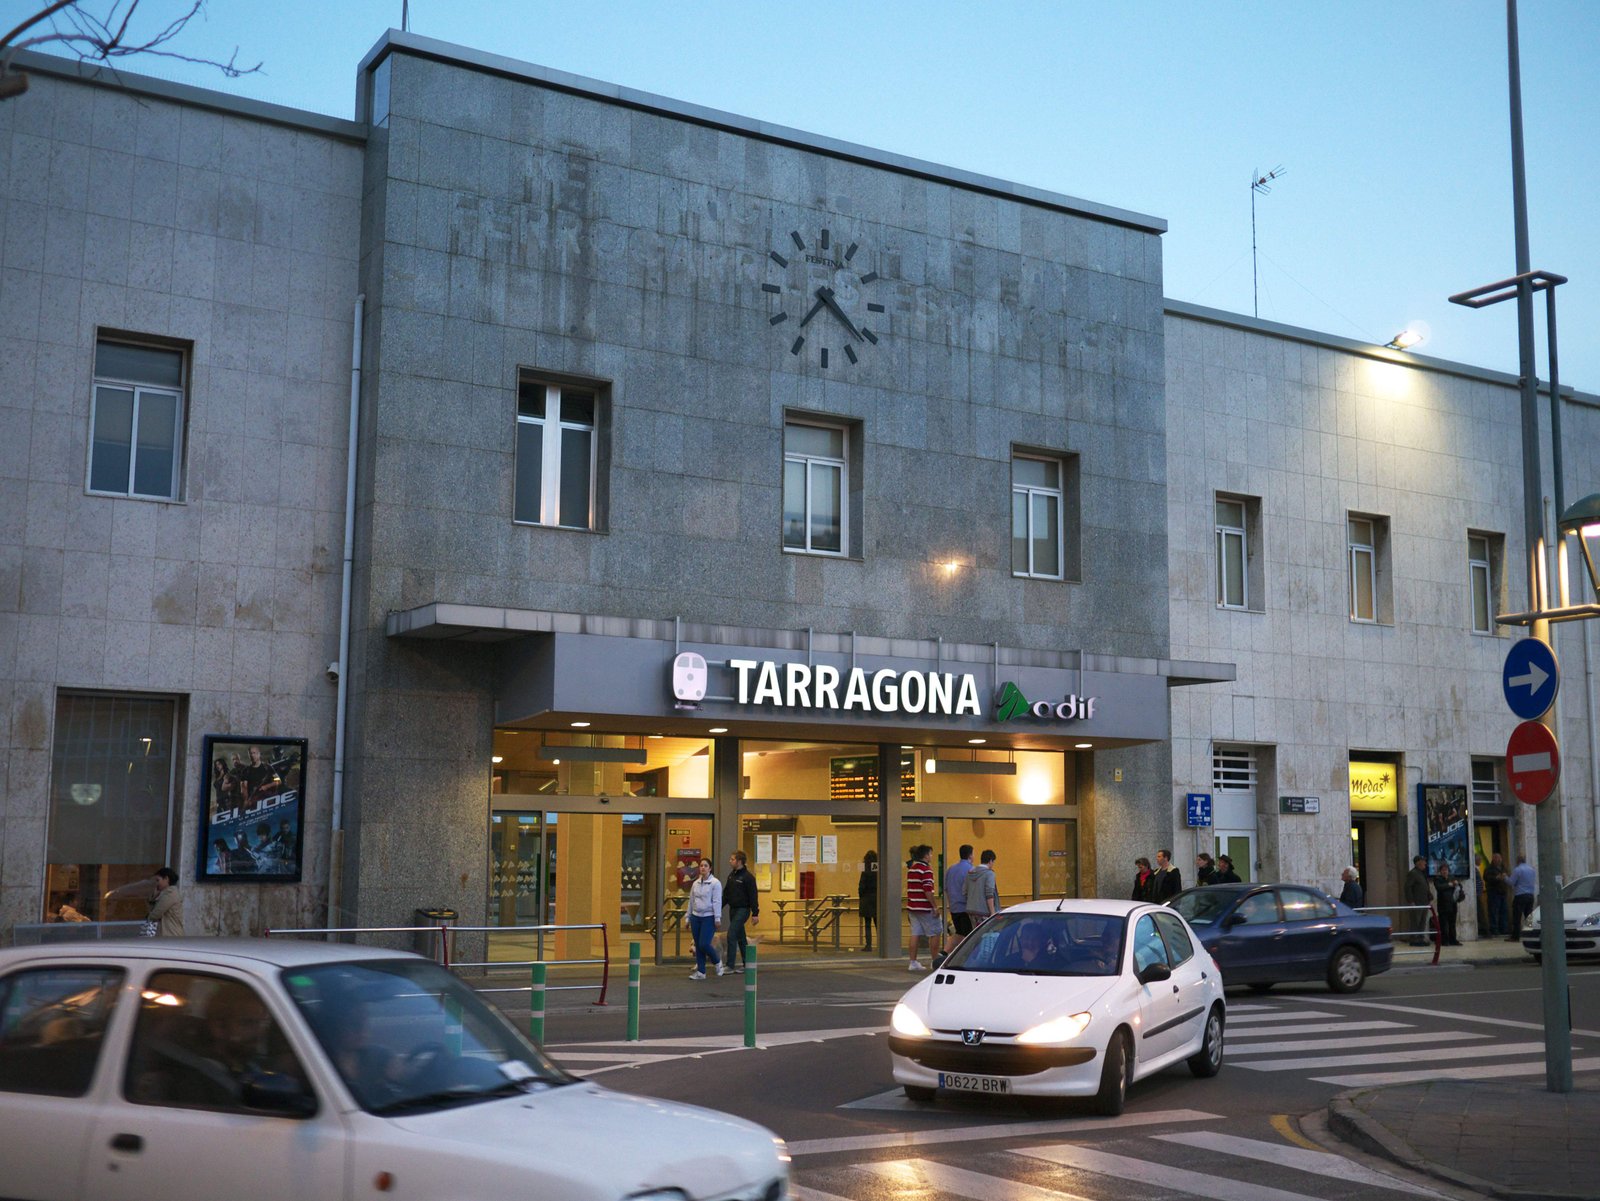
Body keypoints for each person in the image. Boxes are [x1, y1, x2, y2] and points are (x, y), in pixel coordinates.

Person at [686, 858, 724, 980]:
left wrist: (717, 917)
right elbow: (691, 901)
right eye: (701, 865)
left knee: (704, 944)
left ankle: (717, 961)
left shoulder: (715, 883)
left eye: (705, 866)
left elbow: (717, 901)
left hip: (708, 916)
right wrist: (688, 917)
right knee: (698, 945)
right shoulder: (695, 883)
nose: (703, 867)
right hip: (696, 917)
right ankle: (701, 972)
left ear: (710, 868)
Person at [905, 844, 940, 971]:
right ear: (925, 856)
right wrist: (935, 906)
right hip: (925, 907)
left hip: (912, 907)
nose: (931, 856)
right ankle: (935, 961)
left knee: (915, 934)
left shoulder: (912, 869)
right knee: (935, 932)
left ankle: (913, 962)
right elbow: (928, 890)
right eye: (930, 854)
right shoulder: (926, 870)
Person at [723, 850, 759, 971]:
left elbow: (753, 896)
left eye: (732, 859)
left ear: (739, 861)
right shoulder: (731, 876)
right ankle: (747, 964)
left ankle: (730, 965)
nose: (730, 861)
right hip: (733, 909)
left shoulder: (748, 877)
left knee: (731, 934)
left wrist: (755, 913)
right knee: (741, 937)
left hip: (743, 909)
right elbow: (726, 895)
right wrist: (717, 909)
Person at [944, 844, 975, 941]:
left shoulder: (950, 869)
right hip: (966, 909)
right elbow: (973, 890)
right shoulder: (971, 870)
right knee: (970, 936)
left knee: (959, 933)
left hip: (954, 908)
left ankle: (947, 949)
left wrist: (950, 904)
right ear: (970, 855)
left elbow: (946, 888)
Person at [964, 849, 1000, 925]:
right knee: (986, 932)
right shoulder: (989, 874)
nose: (993, 864)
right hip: (984, 912)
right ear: (990, 861)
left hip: (971, 910)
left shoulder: (970, 873)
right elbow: (989, 894)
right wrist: (993, 912)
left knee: (976, 931)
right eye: (993, 862)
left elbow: (964, 891)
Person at [148, 867, 185, 936]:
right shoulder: (166, 893)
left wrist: (149, 916)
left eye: (158, 880)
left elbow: (155, 914)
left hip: (172, 934)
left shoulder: (170, 894)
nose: (156, 884)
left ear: (166, 879)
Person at [1404, 855, 1433, 943]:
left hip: (1424, 902)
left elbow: (1425, 887)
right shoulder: (1413, 873)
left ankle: (1421, 938)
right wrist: (1411, 901)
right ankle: (1414, 939)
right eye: (1423, 861)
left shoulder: (1422, 873)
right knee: (1415, 921)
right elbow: (1407, 887)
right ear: (1418, 863)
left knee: (1422, 922)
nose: (1425, 863)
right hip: (1417, 902)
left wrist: (1429, 897)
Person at [1508, 854, 1537, 942]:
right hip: (1530, 895)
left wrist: (1504, 877)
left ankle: (1515, 936)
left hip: (1520, 896)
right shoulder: (1532, 870)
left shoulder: (1517, 870)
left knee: (1517, 916)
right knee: (1529, 917)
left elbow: (1511, 882)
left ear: (1518, 860)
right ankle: (1530, 934)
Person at [1434, 862, 1463, 946]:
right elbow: (1439, 887)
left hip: (1452, 904)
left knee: (1452, 924)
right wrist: (1449, 885)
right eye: (1443, 870)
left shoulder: (1452, 877)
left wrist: (1457, 884)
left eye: (1446, 870)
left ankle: (1453, 940)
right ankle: (1444, 941)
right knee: (1443, 924)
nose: (1445, 872)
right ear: (1440, 871)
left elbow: (1460, 886)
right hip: (1443, 905)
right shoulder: (1437, 879)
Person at [857, 850, 879, 951]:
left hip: (866, 899)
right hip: (877, 899)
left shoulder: (865, 870)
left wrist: (861, 896)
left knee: (867, 924)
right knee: (878, 923)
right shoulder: (878, 870)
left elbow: (861, 886)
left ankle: (868, 945)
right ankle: (881, 944)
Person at [1484, 852, 1509, 937]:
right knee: (1494, 912)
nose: (1499, 860)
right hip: (1494, 893)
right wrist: (1496, 878)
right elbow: (1486, 878)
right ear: (1493, 859)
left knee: (1503, 911)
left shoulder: (1503, 867)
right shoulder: (1489, 868)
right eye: (1497, 858)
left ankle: (1503, 929)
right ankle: (1494, 929)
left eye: (1500, 858)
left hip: (1502, 893)